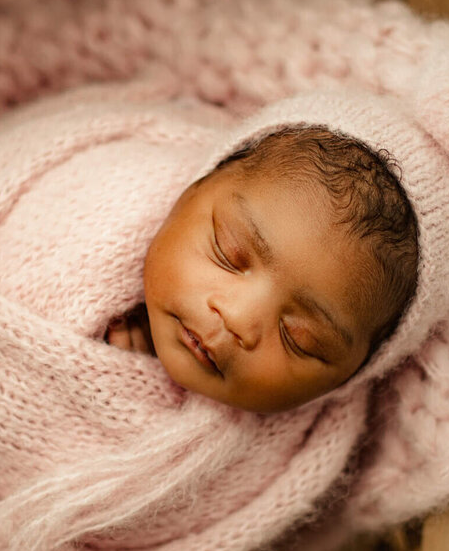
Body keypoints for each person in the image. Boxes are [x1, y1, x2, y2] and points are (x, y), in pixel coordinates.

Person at [105, 128, 417, 413]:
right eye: (228, 254)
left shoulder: (301, 457)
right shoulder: (107, 193)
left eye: (297, 338)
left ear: (348, 379)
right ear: (192, 189)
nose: (237, 318)